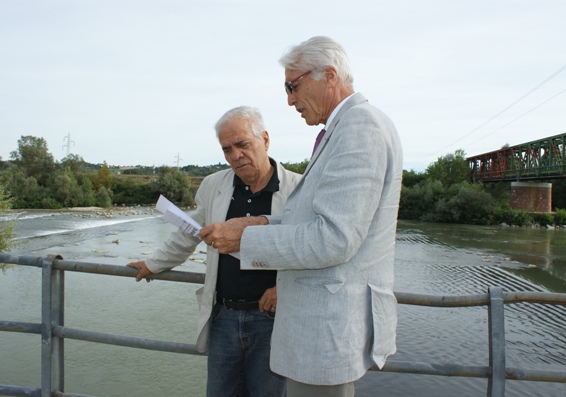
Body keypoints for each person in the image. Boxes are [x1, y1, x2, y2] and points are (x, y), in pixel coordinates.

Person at [200, 36, 403, 397]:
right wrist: (260, 223)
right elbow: (320, 221)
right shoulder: (344, 128)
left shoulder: (360, 127)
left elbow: (333, 239)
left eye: (293, 86)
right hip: (322, 329)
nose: (289, 99)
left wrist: (244, 239)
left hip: (326, 332)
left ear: (328, 75)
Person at [127, 106, 301, 397]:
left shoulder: (299, 188)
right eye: (227, 149)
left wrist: (285, 285)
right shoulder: (213, 185)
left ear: (266, 140)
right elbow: (187, 234)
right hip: (223, 316)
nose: (235, 155)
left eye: (242, 144)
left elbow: (313, 249)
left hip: (274, 320)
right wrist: (152, 264)